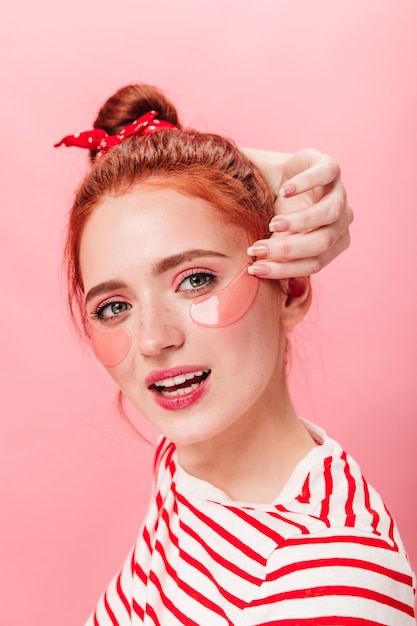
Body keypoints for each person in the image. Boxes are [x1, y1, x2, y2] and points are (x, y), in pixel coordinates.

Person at [56, 85, 415, 624]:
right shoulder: (188, 466)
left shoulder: (327, 578)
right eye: (114, 307)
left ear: (289, 289)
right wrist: (251, 173)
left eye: (195, 280)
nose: (155, 340)